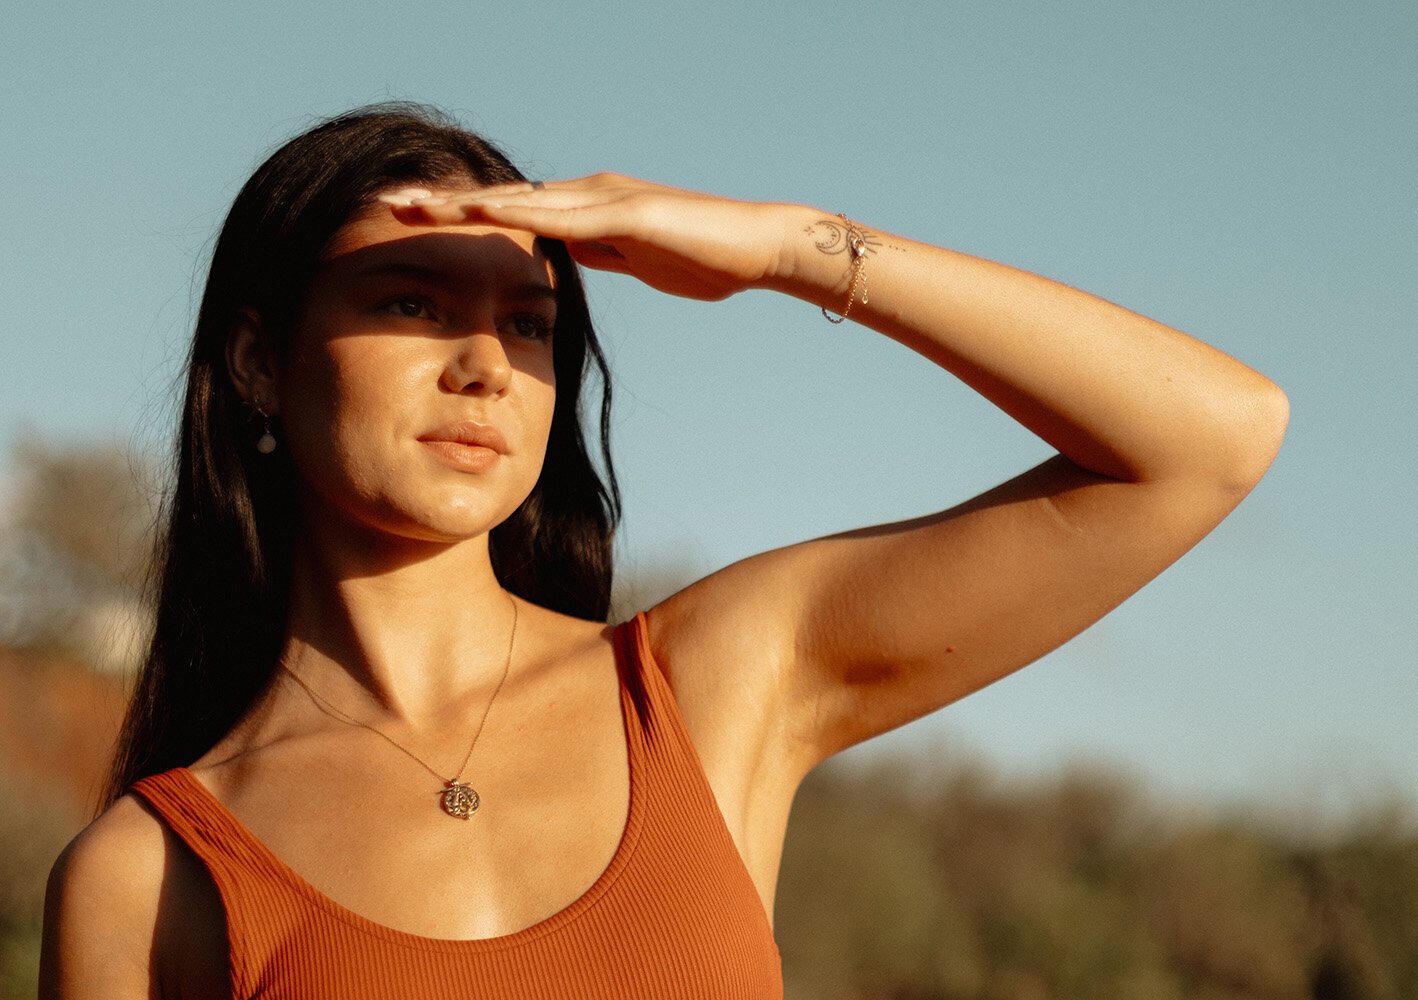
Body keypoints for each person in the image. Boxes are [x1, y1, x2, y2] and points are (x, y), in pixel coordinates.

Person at [39, 103, 1287, 999]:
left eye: (528, 325)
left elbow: (1211, 438)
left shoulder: (708, 686)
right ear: (259, 361)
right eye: (410, 302)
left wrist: (790, 250)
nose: (485, 366)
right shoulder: (150, 875)